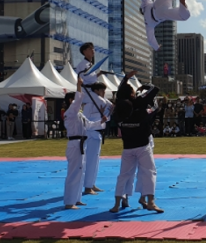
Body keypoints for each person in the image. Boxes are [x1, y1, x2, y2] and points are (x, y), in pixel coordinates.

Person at [110, 71, 163, 213]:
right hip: (142, 146)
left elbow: (121, 92)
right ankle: (150, 201)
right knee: (149, 172)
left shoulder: (118, 113)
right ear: (133, 94)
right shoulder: (139, 107)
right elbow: (155, 98)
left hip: (127, 147)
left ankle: (117, 203)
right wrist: (144, 88)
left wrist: (126, 78)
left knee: (124, 175)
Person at [63, 76, 109, 209]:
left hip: (81, 143)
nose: (81, 104)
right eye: (78, 101)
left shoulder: (79, 115)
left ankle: (76, 198)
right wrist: (79, 86)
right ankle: (69, 202)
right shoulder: (71, 112)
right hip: (74, 143)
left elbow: (89, 125)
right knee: (74, 173)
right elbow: (78, 100)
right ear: (71, 101)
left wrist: (101, 121)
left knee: (81, 171)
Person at [82, 82, 113, 196]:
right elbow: (85, 121)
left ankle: (92, 183)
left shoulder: (101, 102)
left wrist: (107, 114)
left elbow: (107, 115)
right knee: (90, 161)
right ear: (96, 91)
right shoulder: (89, 103)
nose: (104, 93)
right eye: (102, 91)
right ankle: (88, 186)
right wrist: (99, 121)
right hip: (91, 133)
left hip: (97, 132)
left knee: (95, 161)